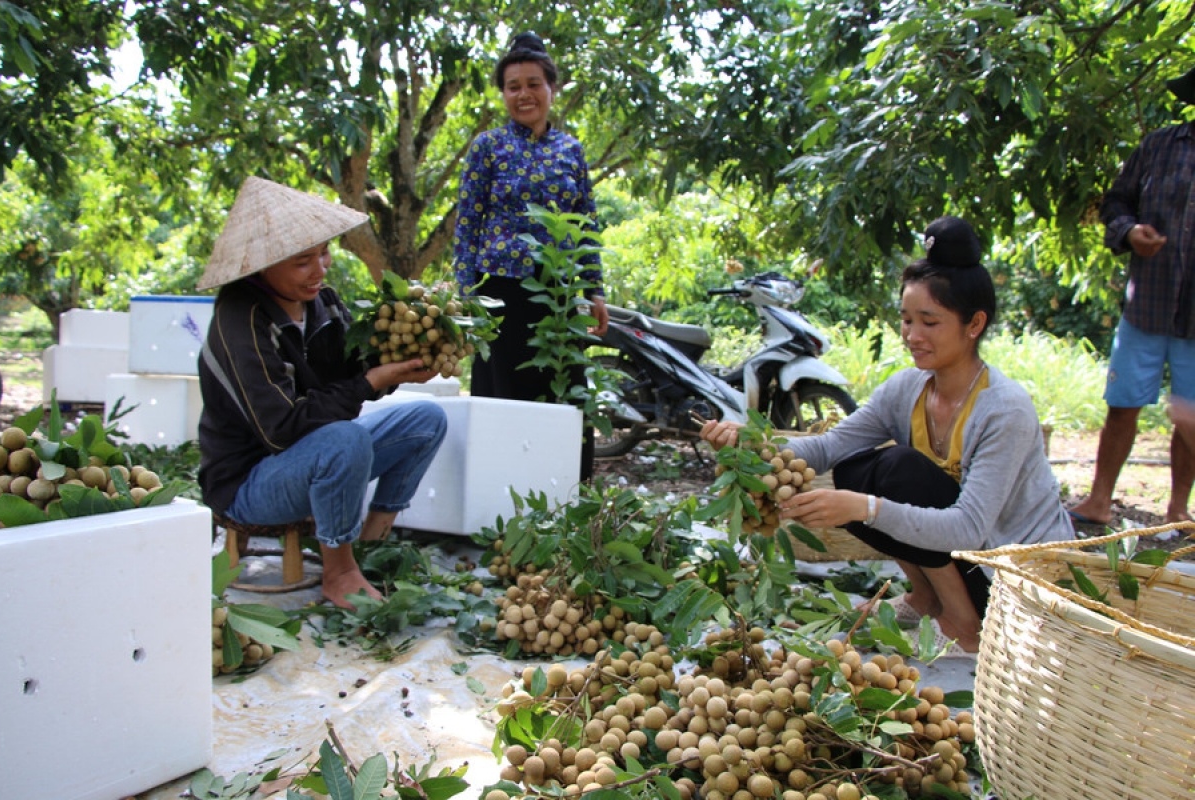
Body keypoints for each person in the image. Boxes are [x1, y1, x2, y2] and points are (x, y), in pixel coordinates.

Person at [701, 217, 1071, 654]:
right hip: (965, 559)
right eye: (906, 319)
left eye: (929, 323)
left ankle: (963, 623)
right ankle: (927, 597)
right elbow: (826, 449)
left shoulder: (1004, 408)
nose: (912, 336)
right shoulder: (906, 389)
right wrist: (754, 444)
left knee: (895, 472)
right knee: (858, 467)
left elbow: (970, 529)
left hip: (1013, 581)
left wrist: (865, 508)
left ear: (974, 325)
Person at [196, 176, 448, 610]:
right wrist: (371, 381)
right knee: (343, 439)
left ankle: (372, 541)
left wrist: (405, 361)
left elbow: (357, 370)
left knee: (426, 418)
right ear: (263, 265)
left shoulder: (323, 303)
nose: (320, 269)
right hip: (249, 482)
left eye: (323, 253)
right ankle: (339, 571)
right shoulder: (240, 319)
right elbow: (282, 429)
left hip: (309, 457)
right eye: (302, 261)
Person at [453, 31, 609, 480]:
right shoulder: (488, 147)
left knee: (564, 390)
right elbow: (468, 225)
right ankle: (500, 501)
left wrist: (593, 289)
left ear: (551, 89)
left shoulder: (571, 151)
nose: (524, 94)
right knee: (504, 395)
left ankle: (566, 498)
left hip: (557, 296)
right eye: (513, 86)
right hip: (499, 290)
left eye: (533, 83)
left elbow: (586, 224)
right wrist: (466, 300)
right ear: (503, 93)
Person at [1067, 65, 1195, 528]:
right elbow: (1115, 203)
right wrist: (1129, 232)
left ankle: (1178, 509)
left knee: (1191, 416)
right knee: (1122, 404)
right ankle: (1100, 499)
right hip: (1148, 305)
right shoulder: (1160, 146)